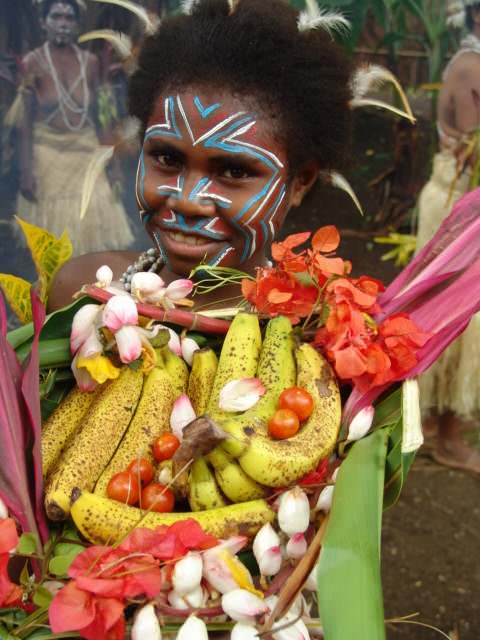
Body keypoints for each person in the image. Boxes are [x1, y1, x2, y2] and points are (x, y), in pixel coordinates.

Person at [49, 0, 352, 310]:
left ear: (300, 182)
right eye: (168, 159)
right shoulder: (82, 295)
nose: (187, 200)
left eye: (234, 172)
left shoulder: (326, 344)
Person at [415, 0, 480, 473]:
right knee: (457, 317)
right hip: (459, 203)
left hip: (453, 199)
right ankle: (449, 437)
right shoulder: (471, 68)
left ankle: (439, 424)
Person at [17, 0, 134, 255]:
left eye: (68, 18)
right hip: (47, 153)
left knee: (92, 240)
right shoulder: (32, 62)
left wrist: (113, 166)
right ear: (43, 23)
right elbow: (25, 123)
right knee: (55, 246)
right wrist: (26, 171)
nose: (62, 24)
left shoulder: (90, 63)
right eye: (56, 17)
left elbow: (104, 117)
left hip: (86, 151)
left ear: (77, 25)